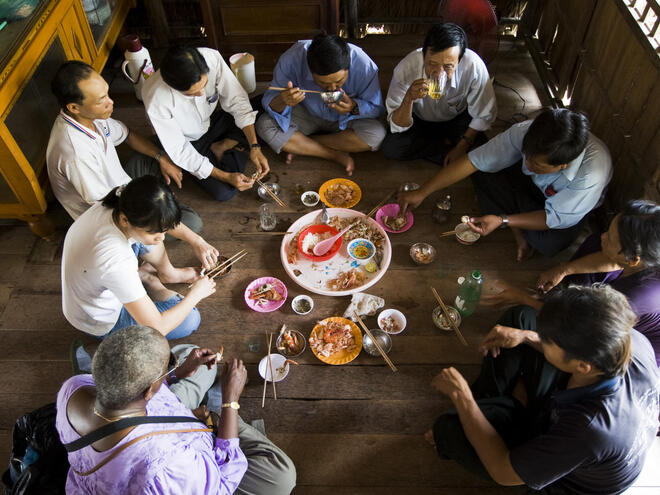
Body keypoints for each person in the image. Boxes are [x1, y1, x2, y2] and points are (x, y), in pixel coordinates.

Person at [428, 285, 660, 494]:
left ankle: (489, 415)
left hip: (561, 480)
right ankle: (493, 413)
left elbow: (502, 472)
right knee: (520, 319)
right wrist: (527, 336)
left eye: (549, 341)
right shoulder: (628, 339)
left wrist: (462, 397)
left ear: (582, 366)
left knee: (449, 428)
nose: (543, 339)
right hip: (570, 415)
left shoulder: (590, 430)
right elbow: (548, 338)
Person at [56, 325, 297, 494]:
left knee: (199, 362)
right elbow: (221, 482)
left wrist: (176, 373)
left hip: (148, 414)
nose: (173, 364)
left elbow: (137, 393)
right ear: (150, 389)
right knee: (282, 476)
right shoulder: (167, 466)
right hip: (181, 470)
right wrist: (230, 401)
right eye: (168, 364)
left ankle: (207, 402)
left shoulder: (74, 387)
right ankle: (216, 408)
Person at [47, 61, 217, 267]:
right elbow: (114, 208)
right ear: (74, 107)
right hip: (111, 209)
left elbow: (127, 135)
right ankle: (162, 216)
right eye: (102, 100)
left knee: (161, 147)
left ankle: (163, 200)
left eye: (108, 94)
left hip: (122, 184)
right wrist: (195, 240)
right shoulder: (75, 153)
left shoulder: (91, 115)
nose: (110, 102)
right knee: (192, 222)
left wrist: (161, 158)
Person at [398, 108, 613, 260]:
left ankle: (510, 220)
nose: (527, 163)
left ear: (563, 165)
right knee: (481, 172)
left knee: (548, 243)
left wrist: (503, 219)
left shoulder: (590, 176)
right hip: (530, 188)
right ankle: (516, 226)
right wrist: (423, 192)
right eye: (526, 156)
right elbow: (474, 161)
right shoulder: (527, 132)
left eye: (536, 164)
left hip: (562, 207)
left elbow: (553, 217)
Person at [481, 199, 660, 366]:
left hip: (615, 358)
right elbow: (613, 260)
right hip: (601, 321)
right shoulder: (648, 256)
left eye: (611, 238)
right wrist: (564, 269)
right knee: (594, 244)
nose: (603, 236)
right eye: (609, 231)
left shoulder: (634, 299)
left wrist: (525, 301)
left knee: (523, 317)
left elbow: (582, 335)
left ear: (633, 260)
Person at [61, 175, 216, 339]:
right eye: (156, 232)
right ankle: (152, 282)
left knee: (147, 238)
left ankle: (167, 273)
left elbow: (159, 221)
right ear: (124, 220)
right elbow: (158, 327)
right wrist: (196, 294)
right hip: (100, 321)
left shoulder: (122, 203)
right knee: (191, 319)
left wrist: (198, 242)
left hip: (98, 280)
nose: (162, 238)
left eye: (164, 231)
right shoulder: (115, 260)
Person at [142, 46, 269, 202]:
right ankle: (233, 146)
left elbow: (237, 101)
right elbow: (180, 150)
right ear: (172, 86)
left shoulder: (211, 58)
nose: (202, 93)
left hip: (213, 121)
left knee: (265, 103)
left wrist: (255, 146)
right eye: (192, 93)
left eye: (205, 85)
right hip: (191, 141)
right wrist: (226, 177)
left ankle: (225, 145)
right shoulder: (155, 98)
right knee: (224, 192)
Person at [256, 32, 386, 176]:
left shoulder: (363, 64)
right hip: (307, 114)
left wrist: (353, 107)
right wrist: (283, 100)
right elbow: (270, 102)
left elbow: (377, 108)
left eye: (339, 81)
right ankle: (333, 154)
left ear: (348, 68)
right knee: (265, 125)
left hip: (345, 120)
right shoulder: (292, 59)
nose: (332, 89)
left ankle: (304, 145)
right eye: (323, 83)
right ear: (311, 71)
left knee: (377, 135)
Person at [382, 23, 496, 166]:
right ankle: (452, 156)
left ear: (459, 61)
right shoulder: (406, 69)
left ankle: (452, 152)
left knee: (482, 151)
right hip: (419, 120)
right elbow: (397, 125)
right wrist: (409, 98)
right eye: (432, 64)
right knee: (391, 148)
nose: (438, 73)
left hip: (456, 119)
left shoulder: (473, 66)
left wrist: (462, 146)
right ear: (423, 56)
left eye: (448, 66)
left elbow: (483, 114)